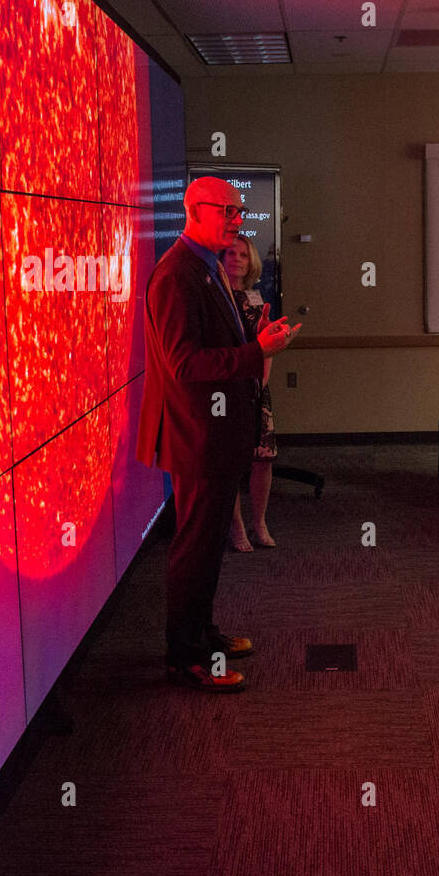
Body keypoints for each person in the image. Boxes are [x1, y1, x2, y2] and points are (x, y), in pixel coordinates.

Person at [136, 177, 299, 692]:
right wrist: (258, 354)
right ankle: (187, 658)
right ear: (194, 210)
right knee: (195, 547)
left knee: (206, 548)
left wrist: (256, 341)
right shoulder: (176, 275)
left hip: (215, 434)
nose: (236, 220)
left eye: (238, 211)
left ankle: (203, 635)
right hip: (196, 437)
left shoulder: (205, 268)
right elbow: (184, 365)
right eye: (227, 211)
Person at [223, 235, 279, 551]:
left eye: (243, 254)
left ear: (251, 261)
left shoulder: (256, 297)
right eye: (230, 253)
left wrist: (264, 377)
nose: (237, 259)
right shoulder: (215, 297)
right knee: (232, 462)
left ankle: (259, 522)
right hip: (228, 391)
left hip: (259, 390)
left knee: (263, 459)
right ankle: (238, 527)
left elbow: (265, 344)